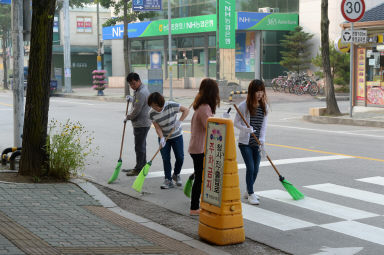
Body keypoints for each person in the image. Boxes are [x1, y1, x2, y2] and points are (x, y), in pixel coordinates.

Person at [188, 78, 220, 216]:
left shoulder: (201, 106)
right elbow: (211, 127)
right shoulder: (205, 107)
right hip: (199, 148)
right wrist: (222, 122)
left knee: (200, 173)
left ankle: (196, 201)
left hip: (196, 147)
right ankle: (194, 207)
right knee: (200, 177)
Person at [234, 79, 268, 205]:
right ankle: (251, 193)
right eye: (257, 91)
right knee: (251, 167)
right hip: (245, 143)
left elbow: (264, 126)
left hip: (257, 143)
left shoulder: (265, 107)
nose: (259, 94)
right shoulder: (243, 106)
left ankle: (249, 190)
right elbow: (235, 122)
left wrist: (262, 141)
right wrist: (245, 129)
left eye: (261, 91)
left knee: (256, 169)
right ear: (251, 92)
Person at [147, 92, 190, 189]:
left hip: (177, 135)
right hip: (164, 137)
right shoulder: (151, 113)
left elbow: (186, 110)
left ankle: (176, 174)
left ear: (160, 103)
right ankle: (168, 180)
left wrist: (180, 121)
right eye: (152, 106)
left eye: (155, 106)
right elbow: (157, 127)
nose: (154, 108)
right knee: (166, 159)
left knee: (180, 157)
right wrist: (161, 138)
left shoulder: (170, 105)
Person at [123, 73, 151, 176]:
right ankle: (141, 166)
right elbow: (138, 103)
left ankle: (139, 168)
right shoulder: (139, 90)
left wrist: (128, 117)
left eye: (133, 84)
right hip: (142, 123)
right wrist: (131, 99)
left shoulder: (141, 92)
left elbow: (136, 110)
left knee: (139, 147)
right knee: (141, 146)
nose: (132, 86)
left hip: (141, 123)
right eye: (130, 84)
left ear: (138, 81)